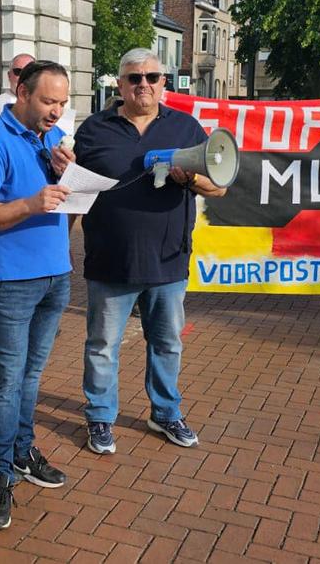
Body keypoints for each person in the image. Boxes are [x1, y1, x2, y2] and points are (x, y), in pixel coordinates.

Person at [74, 48, 227, 455]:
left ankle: (164, 413)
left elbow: (220, 186)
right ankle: (101, 418)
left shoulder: (186, 128)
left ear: (164, 83)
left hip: (168, 259)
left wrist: (190, 179)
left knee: (167, 343)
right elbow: (73, 186)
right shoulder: (93, 129)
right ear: (120, 85)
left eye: (152, 77)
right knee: (103, 345)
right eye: (134, 78)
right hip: (110, 259)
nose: (144, 84)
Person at [0, 59, 75, 529]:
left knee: (32, 375)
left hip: (57, 273)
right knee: (7, 380)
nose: (57, 112)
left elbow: (65, 203)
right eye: (49, 102)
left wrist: (69, 175)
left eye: (63, 104)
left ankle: (22, 451)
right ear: (22, 92)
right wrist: (31, 203)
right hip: (12, 280)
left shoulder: (50, 140)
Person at [0, 53, 77, 135]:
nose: (57, 113)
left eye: (62, 104)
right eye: (18, 71)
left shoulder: (57, 135)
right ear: (9, 75)